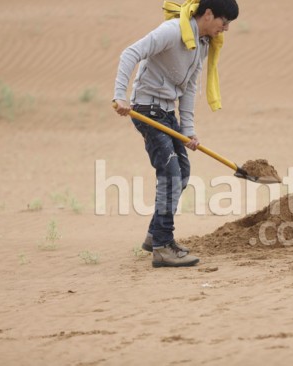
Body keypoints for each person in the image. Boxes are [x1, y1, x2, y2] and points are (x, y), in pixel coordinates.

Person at [113, 0, 239, 267]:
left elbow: (190, 87)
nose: (225, 29)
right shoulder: (171, 31)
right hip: (147, 110)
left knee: (182, 173)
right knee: (170, 175)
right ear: (208, 14)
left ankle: (153, 235)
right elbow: (130, 53)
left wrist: (189, 130)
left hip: (168, 114)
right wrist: (120, 96)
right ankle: (162, 247)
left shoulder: (202, 44)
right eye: (223, 22)